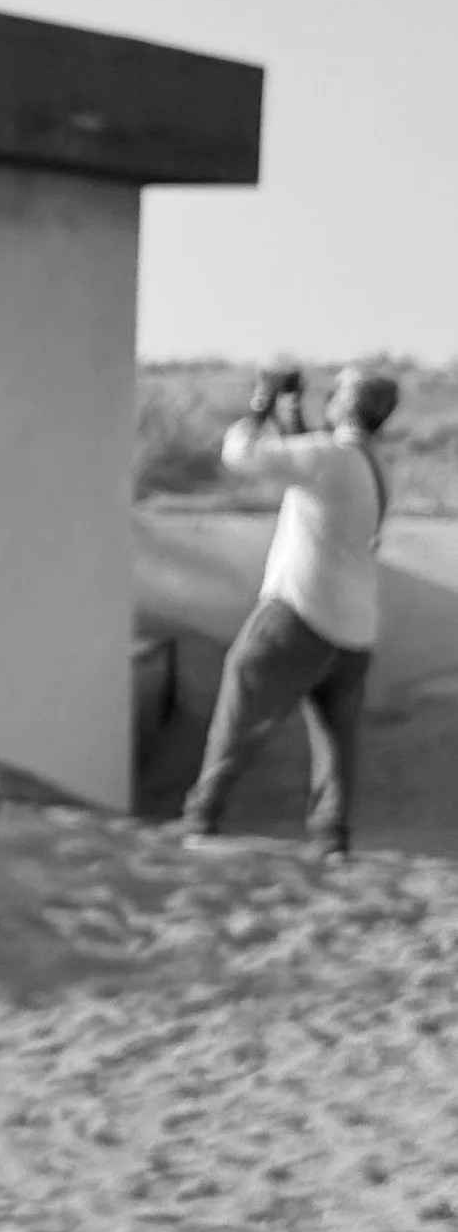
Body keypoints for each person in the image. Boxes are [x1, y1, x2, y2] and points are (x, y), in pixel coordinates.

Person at [180, 358, 402, 859]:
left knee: (241, 700)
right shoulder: (375, 466)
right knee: (336, 740)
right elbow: (307, 466)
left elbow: (241, 454)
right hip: (355, 628)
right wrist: (292, 413)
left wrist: (261, 403)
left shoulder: (326, 457)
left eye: (336, 393)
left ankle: (202, 815)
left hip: (299, 611)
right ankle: (332, 839)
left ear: (346, 403)